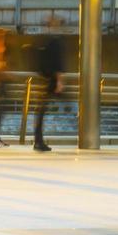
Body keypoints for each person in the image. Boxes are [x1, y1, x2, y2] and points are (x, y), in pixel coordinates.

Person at [33, 14, 67, 153]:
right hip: (51, 80)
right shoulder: (55, 41)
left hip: (44, 79)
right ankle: (38, 141)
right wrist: (60, 81)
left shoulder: (44, 39)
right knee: (42, 110)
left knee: (40, 110)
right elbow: (58, 63)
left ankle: (38, 141)